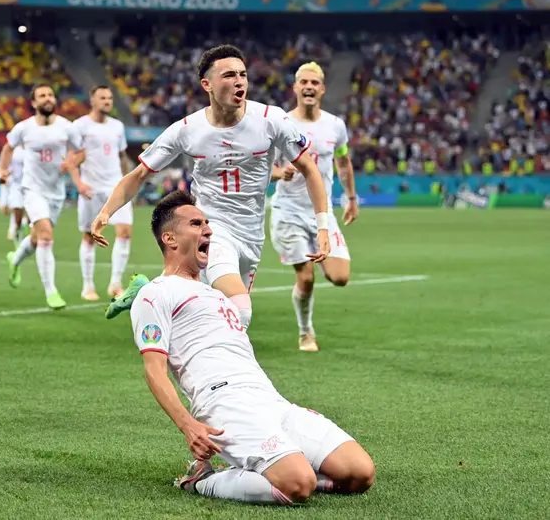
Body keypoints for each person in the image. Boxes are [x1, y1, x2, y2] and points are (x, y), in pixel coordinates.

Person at [130, 190, 374, 505]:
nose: (208, 229)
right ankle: (203, 480)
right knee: (298, 485)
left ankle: (277, 468)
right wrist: (188, 425)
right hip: (225, 403)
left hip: (270, 399)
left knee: (359, 473)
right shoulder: (155, 294)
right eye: (195, 224)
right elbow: (154, 371)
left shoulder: (216, 294)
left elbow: (240, 296)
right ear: (170, 239)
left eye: (207, 222)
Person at [91, 44, 330, 328]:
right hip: (210, 229)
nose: (239, 80)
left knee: (219, 317)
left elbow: (309, 170)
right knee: (241, 311)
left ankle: (147, 291)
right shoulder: (188, 130)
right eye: (228, 75)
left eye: (242, 74)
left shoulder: (271, 119)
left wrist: (323, 226)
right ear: (207, 84)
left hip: (252, 234)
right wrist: (107, 211)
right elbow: (140, 174)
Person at [270, 62, 359, 352]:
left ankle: (319, 256)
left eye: (314, 83)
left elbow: (343, 162)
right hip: (288, 211)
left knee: (340, 277)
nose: (308, 87)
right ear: (295, 87)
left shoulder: (335, 126)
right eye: (303, 82)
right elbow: (260, 163)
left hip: (322, 213)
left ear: (322, 89)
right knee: (305, 276)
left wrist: (351, 198)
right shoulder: (281, 122)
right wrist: (277, 173)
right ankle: (305, 332)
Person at [0, 83, 83, 310]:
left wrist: (72, 162)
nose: (47, 98)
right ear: (33, 103)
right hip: (32, 189)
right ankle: (51, 291)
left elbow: (81, 151)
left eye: (50, 95)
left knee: (37, 239)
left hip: (56, 192)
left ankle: (14, 259)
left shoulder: (67, 127)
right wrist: (2, 171)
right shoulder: (23, 128)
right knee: (46, 234)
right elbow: (7, 148)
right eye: (42, 96)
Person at [66, 85, 132, 301]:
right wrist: (79, 185)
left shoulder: (117, 127)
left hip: (115, 188)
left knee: (124, 232)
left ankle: (115, 283)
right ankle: (88, 286)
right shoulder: (80, 126)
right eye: (102, 98)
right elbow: (71, 159)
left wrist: (126, 183)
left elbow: (121, 156)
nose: (107, 101)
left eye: (110, 98)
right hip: (91, 190)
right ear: (92, 101)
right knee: (89, 236)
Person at [2, 145, 28, 244]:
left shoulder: (33, 147)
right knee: (17, 213)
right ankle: (18, 243)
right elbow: (5, 168)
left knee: (32, 217)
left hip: (31, 185)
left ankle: (30, 236)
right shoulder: (13, 150)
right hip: (16, 185)